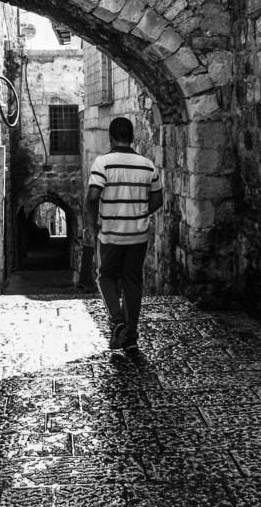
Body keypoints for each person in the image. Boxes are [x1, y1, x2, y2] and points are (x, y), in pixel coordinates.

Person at [80, 116, 163, 351]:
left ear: (111, 137)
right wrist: (139, 212)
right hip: (138, 235)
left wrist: (93, 225)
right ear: (132, 137)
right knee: (133, 282)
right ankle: (132, 334)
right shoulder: (147, 165)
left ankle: (117, 322)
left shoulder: (103, 163)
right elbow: (158, 199)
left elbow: (93, 197)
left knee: (105, 277)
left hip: (111, 234)